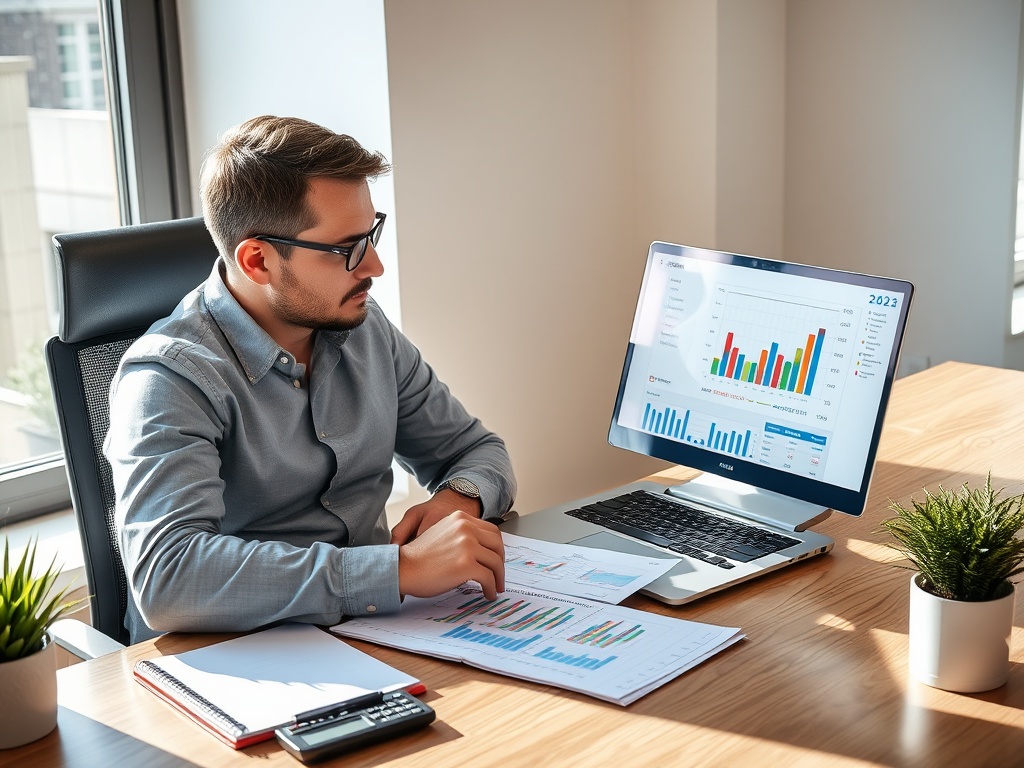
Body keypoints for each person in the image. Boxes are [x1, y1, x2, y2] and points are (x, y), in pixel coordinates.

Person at [104, 115, 517, 643]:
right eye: (346, 249)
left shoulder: (363, 328)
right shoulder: (168, 378)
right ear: (258, 260)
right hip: (235, 661)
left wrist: (458, 499)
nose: (374, 266)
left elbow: (478, 451)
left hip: (378, 632)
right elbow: (170, 577)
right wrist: (397, 572)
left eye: (371, 235)